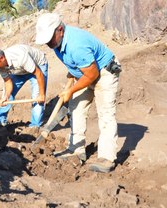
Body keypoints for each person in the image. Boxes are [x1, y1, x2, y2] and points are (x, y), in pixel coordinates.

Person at [35, 13, 122, 173]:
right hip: (87, 73)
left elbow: (92, 75)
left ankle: (107, 158)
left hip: (104, 73)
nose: (48, 43)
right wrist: (71, 77)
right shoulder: (57, 44)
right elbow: (75, 66)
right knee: (75, 108)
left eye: (49, 39)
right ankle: (76, 149)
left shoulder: (76, 44)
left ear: (60, 29)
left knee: (106, 114)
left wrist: (70, 90)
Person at [0, 45, 48, 128]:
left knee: (37, 97)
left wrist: (42, 94)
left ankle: (34, 126)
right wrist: (6, 96)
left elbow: (38, 74)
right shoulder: (0, 66)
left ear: (2, 58)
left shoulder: (20, 56)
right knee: (7, 96)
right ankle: (0, 120)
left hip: (38, 66)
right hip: (19, 71)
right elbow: (8, 82)